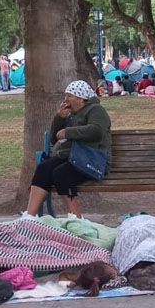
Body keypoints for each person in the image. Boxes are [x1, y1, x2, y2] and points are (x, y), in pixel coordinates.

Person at [25, 80, 112, 217]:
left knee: (62, 173)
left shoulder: (96, 110)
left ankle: (76, 218)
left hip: (92, 159)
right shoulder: (71, 114)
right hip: (72, 156)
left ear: (80, 98)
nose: (65, 100)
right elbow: (54, 139)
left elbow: (97, 131)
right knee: (44, 168)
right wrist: (60, 118)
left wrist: (69, 132)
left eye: (69, 96)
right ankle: (29, 217)